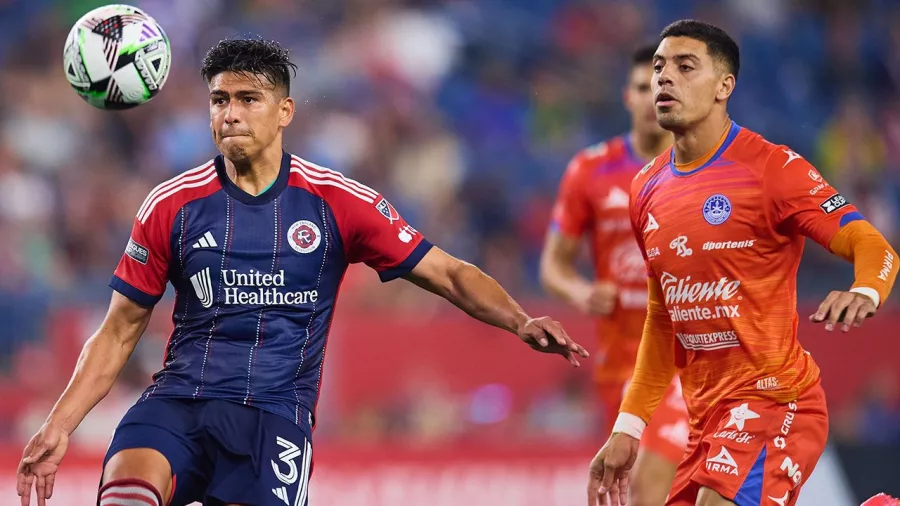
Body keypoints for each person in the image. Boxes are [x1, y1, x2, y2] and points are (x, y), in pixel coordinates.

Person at [15, 39, 589, 506]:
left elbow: (449, 273)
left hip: (273, 418)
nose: (230, 114)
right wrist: (59, 425)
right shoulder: (172, 204)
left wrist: (518, 320)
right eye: (218, 101)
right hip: (178, 404)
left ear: (285, 111)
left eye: (247, 99)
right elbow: (118, 330)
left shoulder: (339, 202)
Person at [587, 19, 898, 506]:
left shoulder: (772, 169)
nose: (665, 78)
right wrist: (629, 424)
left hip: (776, 400)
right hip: (704, 420)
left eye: (686, 67)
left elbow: (872, 244)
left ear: (723, 87)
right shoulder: (645, 189)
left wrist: (864, 290)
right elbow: (664, 319)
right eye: (659, 67)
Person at [540, 44, 687, 505]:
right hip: (621, 363)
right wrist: (582, 293)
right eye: (644, 87)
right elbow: (552, 265)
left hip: (688, 355)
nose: (652, 97)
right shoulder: (590, 170)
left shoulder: (704, 171)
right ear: (628, 96)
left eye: (663, 87)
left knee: (650, 481)